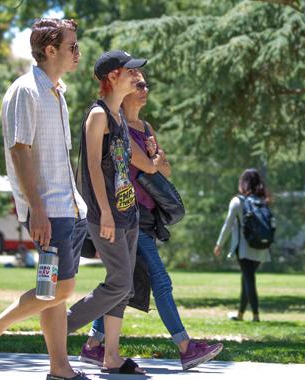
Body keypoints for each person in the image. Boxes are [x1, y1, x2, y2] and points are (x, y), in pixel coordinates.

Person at [0, 18, 91, 380]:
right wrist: (37, 209)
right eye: (72, 46)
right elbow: (20, 151)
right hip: (48, 210)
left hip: (68, 206)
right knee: (61, 287)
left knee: (53, 291)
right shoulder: (26, 90)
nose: (77, 53)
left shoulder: (57, 91)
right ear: (50, 49)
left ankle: (60, 369)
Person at [79, 74, 224, 370]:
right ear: (125, 90)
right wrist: (151, 163)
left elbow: (164, 168)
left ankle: (93, 345)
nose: (144, 90)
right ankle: (185, 347)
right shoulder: (115, 124)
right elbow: (147, 164)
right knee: (158, 279)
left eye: (145, 85)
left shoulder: (145, 128)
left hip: (145, 218)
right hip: (126, 215)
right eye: (139, 85)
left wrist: (154, 163)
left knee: (122, 282)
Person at [64, 50, 146, 375]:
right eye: (130, 72)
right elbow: (93, 170)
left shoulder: (119, 116)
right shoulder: (98, 115)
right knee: (121, 283)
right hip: (106, 214)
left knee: (122, 287)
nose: (137, 77)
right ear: (112, 77)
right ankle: (59, 329)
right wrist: (107, 214)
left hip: (128, 213)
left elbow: (124, 166)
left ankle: (111, 356)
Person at [214, 169, 271, 322]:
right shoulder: (263, 201)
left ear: (243, 183)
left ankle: (256, 315)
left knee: (249, 278)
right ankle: (240, 314)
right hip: (261, 246)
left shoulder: (237, 201)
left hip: (244, 247)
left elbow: (227, 225)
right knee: (246, 278)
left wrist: (219, 244)